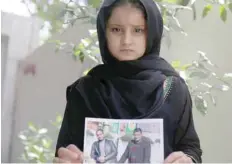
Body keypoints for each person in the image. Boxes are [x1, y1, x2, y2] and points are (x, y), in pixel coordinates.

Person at [53, 0, 202, 163]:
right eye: (116, 30)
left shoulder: (172, 89)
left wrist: (187, 160)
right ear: (104, 32)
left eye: (138, 30)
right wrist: (67, 159)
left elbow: (190, 147)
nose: (126, 40)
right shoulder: (84, 91)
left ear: (151, 32)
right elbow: (64, 150)